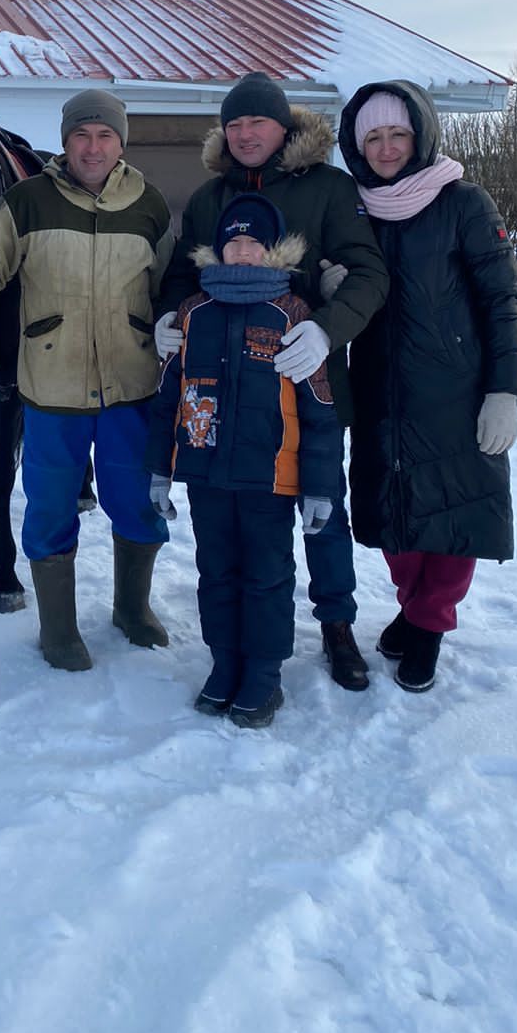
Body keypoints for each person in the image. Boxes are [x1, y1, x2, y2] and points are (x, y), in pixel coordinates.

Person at [156, 71, 388, 692]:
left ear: (284, 126)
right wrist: (168, 320)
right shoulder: (209, 199)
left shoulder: (329, 190)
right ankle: (239, 647)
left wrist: (326, 330)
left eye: (256, 122)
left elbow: (369, 274)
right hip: (227, 398)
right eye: (233, 124)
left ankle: (336, 623)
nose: (245, 133)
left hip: (306, 385)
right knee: (246, 535)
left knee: (320, 509)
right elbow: (183, 276)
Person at [0, 89, 174, 671]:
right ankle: (58, 628)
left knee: (136, 502)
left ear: (121, 142)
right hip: (52, 387)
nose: (93, 146)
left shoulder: (149, 205)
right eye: (82, 134)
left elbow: (169, 285)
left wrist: (171, 322)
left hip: (131, 385)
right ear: (65, 141)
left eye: (105, 135)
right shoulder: (25, 200)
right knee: (52, 505)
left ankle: (133, 609)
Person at [334, 82, 517, 692]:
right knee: (393, 514)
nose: (387, 148)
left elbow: (501, 301)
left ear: (420, 136)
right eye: (374, 137)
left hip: (454, 389)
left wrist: (505, 390)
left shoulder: (463, 202)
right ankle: (412, 607)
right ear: (357, 144)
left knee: (451, 510)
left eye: (398, 134)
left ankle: (430, 623)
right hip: (378, 388)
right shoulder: (354, 206)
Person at [146, 194, 342, 727]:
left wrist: (320, 488)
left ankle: (263, 673)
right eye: (234, 242)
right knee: (216, 573)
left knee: (267, 577)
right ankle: (225, 663)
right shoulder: (193, 314)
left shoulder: (293, 315)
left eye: (255, 243)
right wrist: (160, 471)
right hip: (206, 474)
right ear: (219, 250)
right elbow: (167, 399)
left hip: (269, 479)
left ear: (274, 251)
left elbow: (321, 410)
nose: (244, 252)